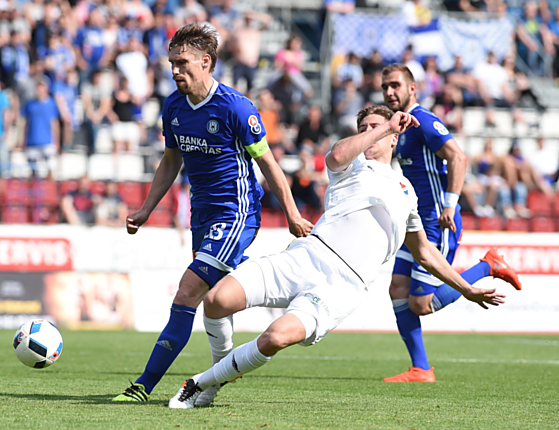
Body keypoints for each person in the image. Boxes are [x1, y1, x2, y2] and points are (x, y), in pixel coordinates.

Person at [167, 107, 518, 409]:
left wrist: (467, 288)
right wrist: (382, 127)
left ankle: (199, 383)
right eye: (363, 129)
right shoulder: (350, 165)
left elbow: (425, 254)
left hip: (342, 284)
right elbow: (333, 156)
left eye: (377, 129)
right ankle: (219, 375)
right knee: (216, 300)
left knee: (275, 338)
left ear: (396, 138)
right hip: (307, 255)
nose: (370, 135)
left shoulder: (406, 191)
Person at [112, 23, 313, 403]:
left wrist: (291, 213)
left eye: (182, 62)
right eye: (172, 62)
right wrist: (145, 209)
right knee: (214, 299)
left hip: (236, 215)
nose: (175, 70)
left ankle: (142, 386)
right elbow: (171, 161)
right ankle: (220, 376)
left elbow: (269, 164)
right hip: (202, 217)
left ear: (206, 62)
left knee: (187, 292)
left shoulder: (235, 106)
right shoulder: (173, 106)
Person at [381, 64, 521, 383]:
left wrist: (449, 204)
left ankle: (488, 266)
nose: (389, 92)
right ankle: (421, 369)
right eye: (385, 87)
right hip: (415, 220)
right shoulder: (402, 127)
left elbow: (458, 157)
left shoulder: (424, 121)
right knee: (397, 288)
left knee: (420, 303)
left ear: (412, 88)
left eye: (395, 85)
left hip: (436, 221)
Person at [19, 79, 59, 178]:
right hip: (32, 141)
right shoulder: (30, 104)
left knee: (50, 169)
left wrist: (56, 140)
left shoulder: (51, 104)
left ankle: (49, 191)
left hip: (47, 141)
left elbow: (54, 123)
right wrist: (22, 139)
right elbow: (25, 123)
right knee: (32, 170)